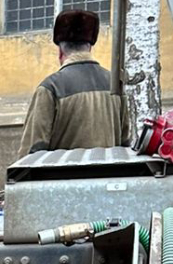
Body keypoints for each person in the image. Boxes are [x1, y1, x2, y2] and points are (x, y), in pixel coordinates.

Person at [18, 9, 125, 157]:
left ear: (60, 51)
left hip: (65, 179)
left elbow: (31, 152)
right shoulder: (117, 85)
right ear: (90, 47)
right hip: (111, 179)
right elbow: (126, 143)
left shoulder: (50, 88)